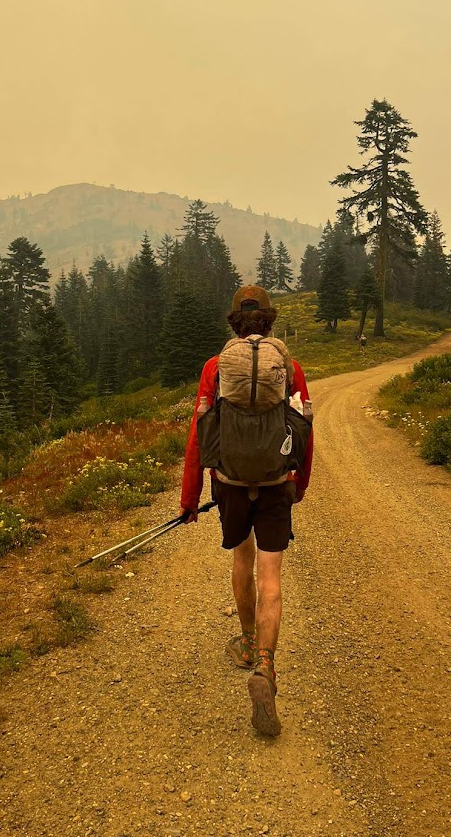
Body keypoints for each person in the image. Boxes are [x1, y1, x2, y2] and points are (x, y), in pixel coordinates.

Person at [180, 285, 313, 737]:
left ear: (234, 324)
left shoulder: (215, 368)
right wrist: (300, 483)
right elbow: (304, 428)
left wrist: (189, 497)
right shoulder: (288, 367)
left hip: (232, 484)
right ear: (269, 323)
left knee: (243, 559)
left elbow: (199, 436)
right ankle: (267, 667)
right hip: (277, 482)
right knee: (271, 577)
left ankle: (248, 643)